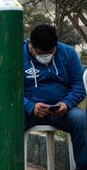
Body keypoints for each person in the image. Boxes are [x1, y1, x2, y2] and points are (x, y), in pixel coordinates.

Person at [24, 24, 87, 169]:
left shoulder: (68, 53)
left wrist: (66, 104)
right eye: (40, 54)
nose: (45, 57)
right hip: (28, 110)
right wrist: (30, 106)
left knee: (80, 119)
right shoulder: (17, 55)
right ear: (30, 45)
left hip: (62, 111)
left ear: (56, 45)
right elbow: (11, 91)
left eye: (50, 52)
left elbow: (78, 87)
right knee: (10, 122)